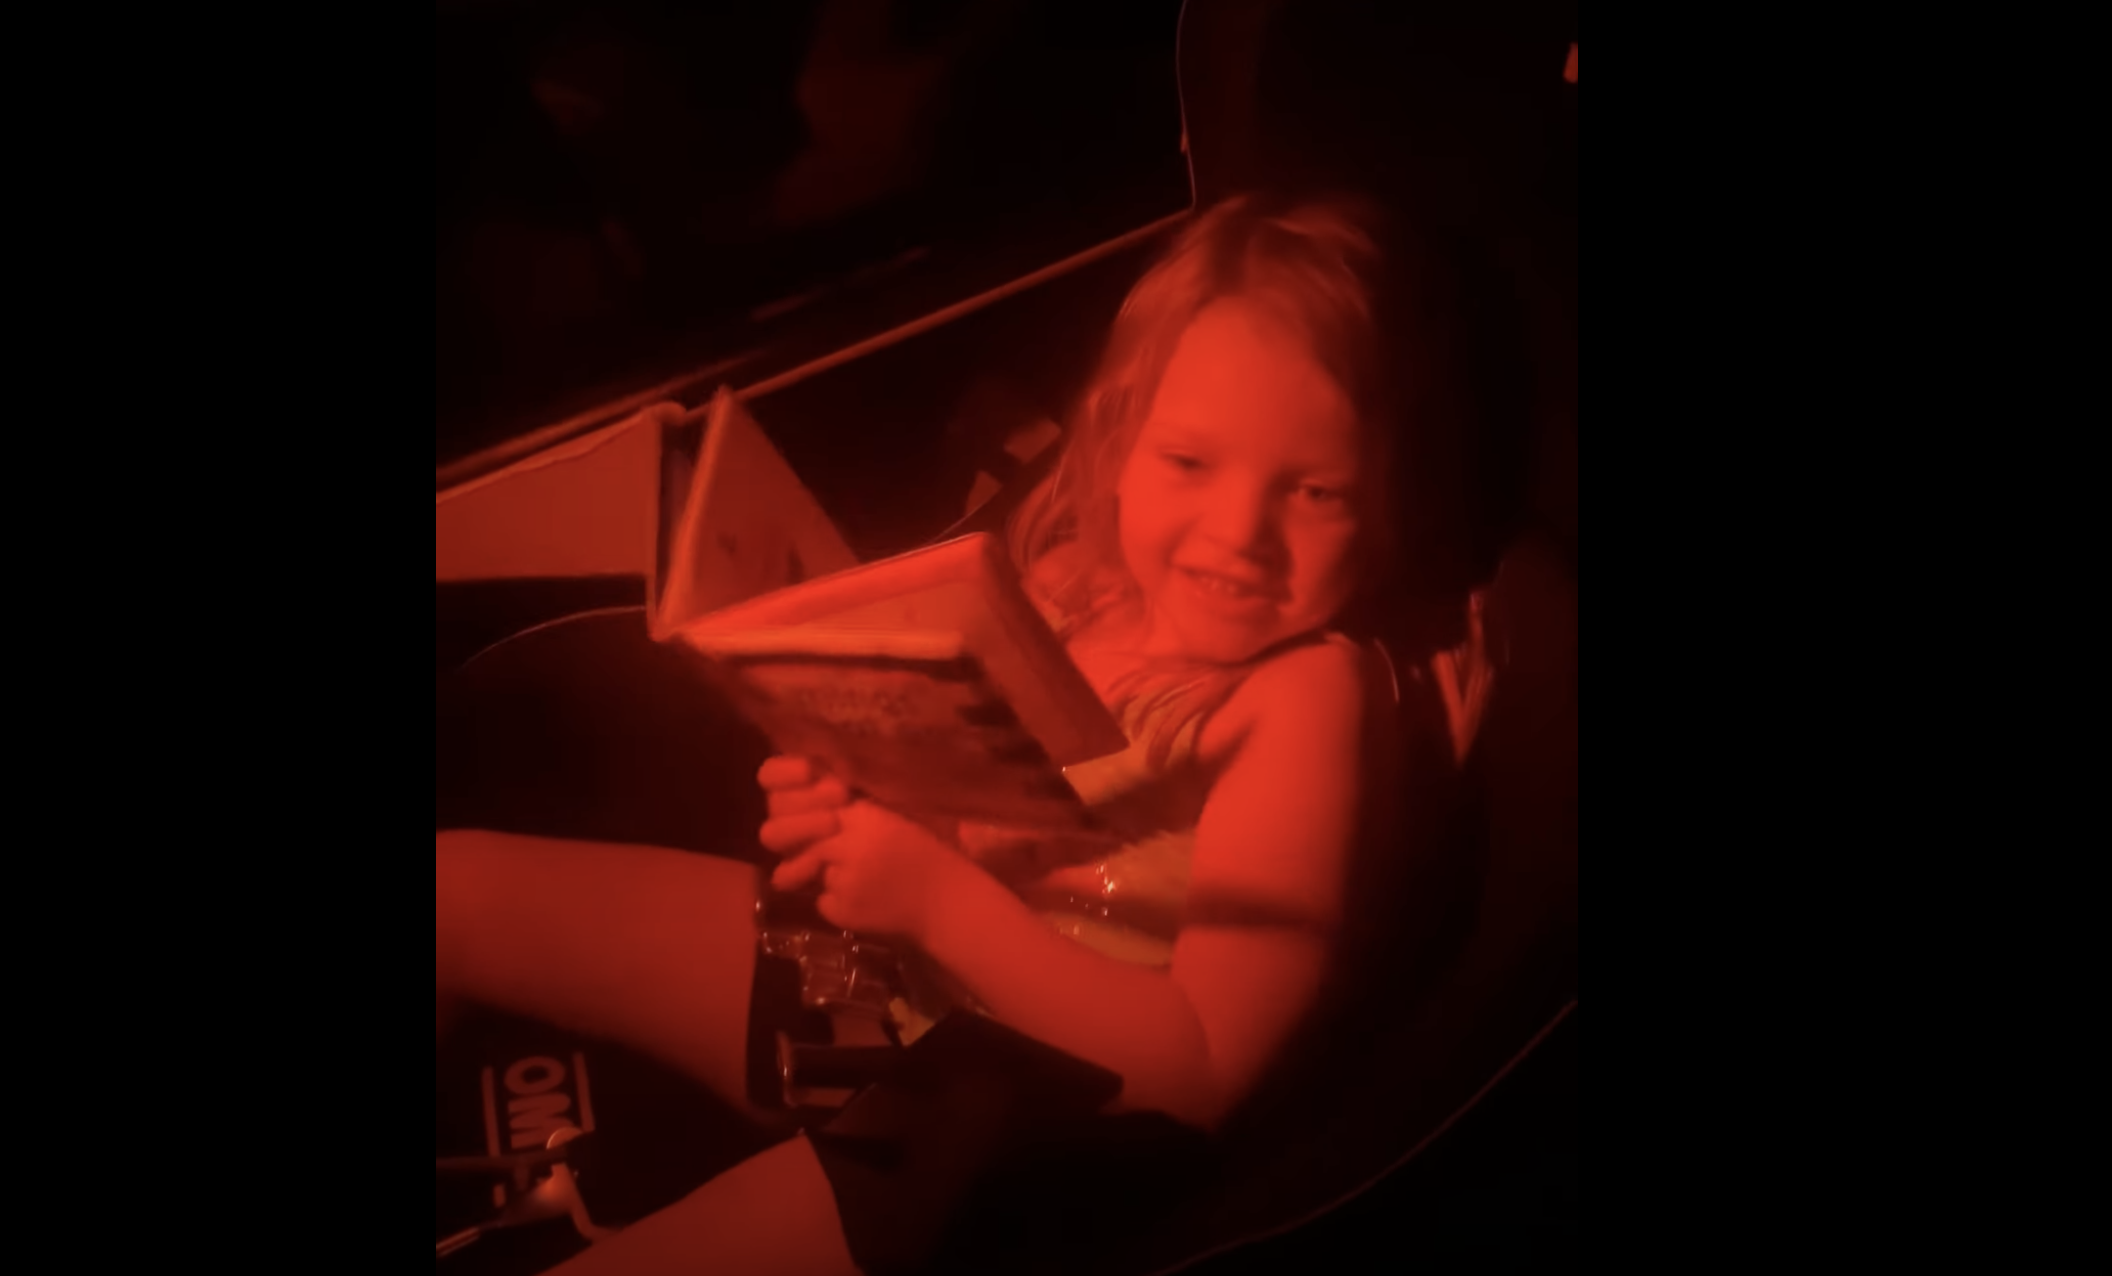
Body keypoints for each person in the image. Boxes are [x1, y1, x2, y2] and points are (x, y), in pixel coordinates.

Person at [436, 192, 1463, 1275]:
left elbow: (1202, 1070)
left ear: (1387, 503)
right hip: (875, 984)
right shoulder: (1076, 575)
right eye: (1188, 462)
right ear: (1120, 436)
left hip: (1007, 1121)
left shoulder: (1303, 696)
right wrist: (853, 798)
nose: (1239, 530)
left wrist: (932, 895)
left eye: (1315, 490)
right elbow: (981, 809)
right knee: (450, 887)